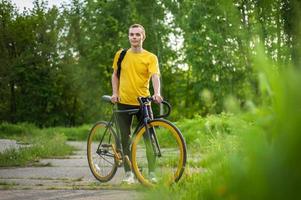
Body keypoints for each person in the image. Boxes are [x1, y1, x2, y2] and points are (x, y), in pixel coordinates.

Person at [111, 24, 163, 184]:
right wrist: (115, 93)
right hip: (124, 102)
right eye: (131, 34)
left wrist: (157, 92)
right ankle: (129, 175)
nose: (134, 37)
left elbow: (154, 76)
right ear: (129, 37)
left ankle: (152, 173)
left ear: (143, 37)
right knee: (125, 139)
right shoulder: (121, 55)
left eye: (137, 35)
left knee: (149, 138)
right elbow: (115, 75)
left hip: (144, 103)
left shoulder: (150, 57)